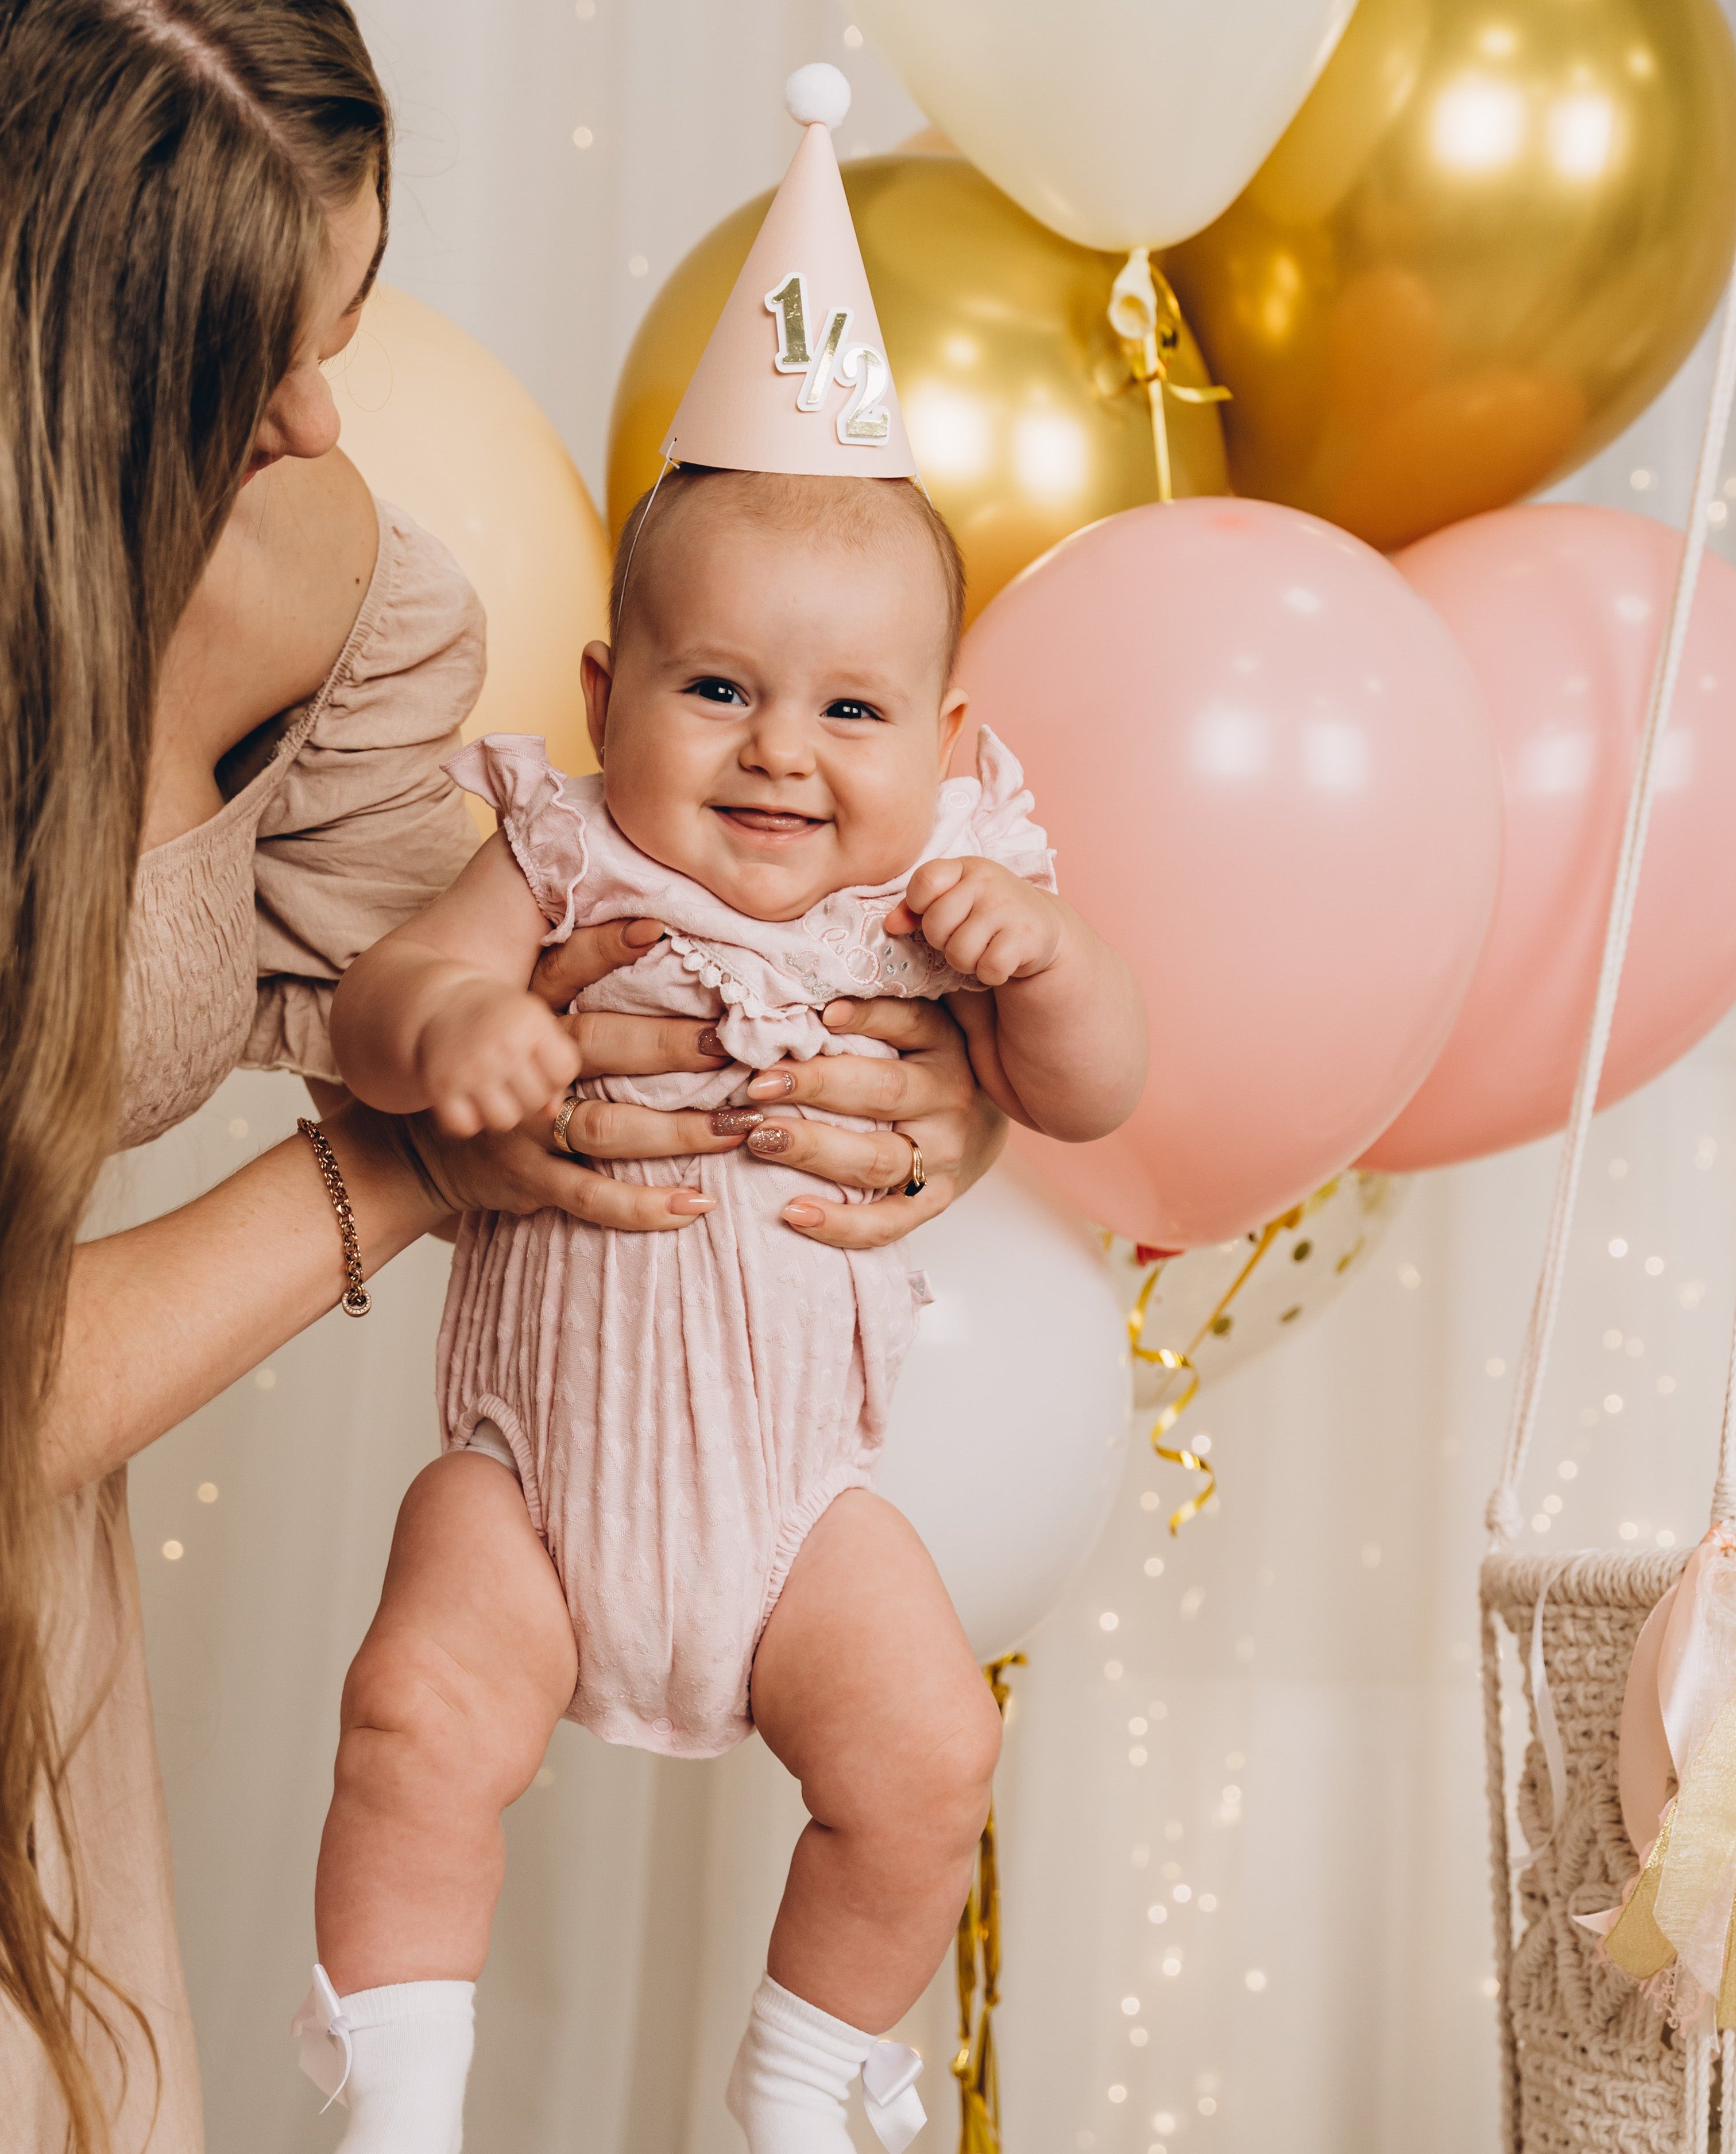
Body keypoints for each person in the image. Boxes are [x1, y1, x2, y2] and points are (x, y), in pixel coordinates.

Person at [0, 11, 1006, 2152]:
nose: (320, 413)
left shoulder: (311, 568)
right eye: (245, 360)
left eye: (345, 318)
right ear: (16, 349)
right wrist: (400, 1163)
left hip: (5, 1630)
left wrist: (919, 1074)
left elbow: (533, 980)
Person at [289, 76, 1147, 2154]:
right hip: (532, 1482)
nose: (780, 755)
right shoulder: (571, 856)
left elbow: (1094, 1092)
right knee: (414, 1711)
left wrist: (1044, 963)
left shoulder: (937, 905)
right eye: (717, 690)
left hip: (793, 1516)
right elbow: (379, 1001)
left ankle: (798, 2081)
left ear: (947, 748)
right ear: (605, 699)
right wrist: (450, 1036)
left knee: (929, 1755)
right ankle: (396, 2094)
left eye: (853, 712)